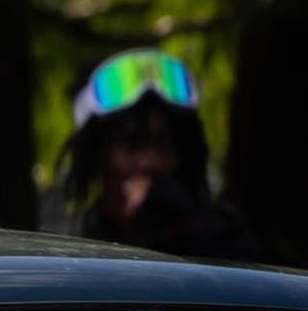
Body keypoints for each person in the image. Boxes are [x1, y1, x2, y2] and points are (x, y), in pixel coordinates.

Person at [54, 49, 262, 259]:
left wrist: (189, 225)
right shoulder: (69, 246)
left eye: (165, 143)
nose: (150, 161)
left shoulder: (225, 240)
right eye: (133, 142)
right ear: (97, 153)